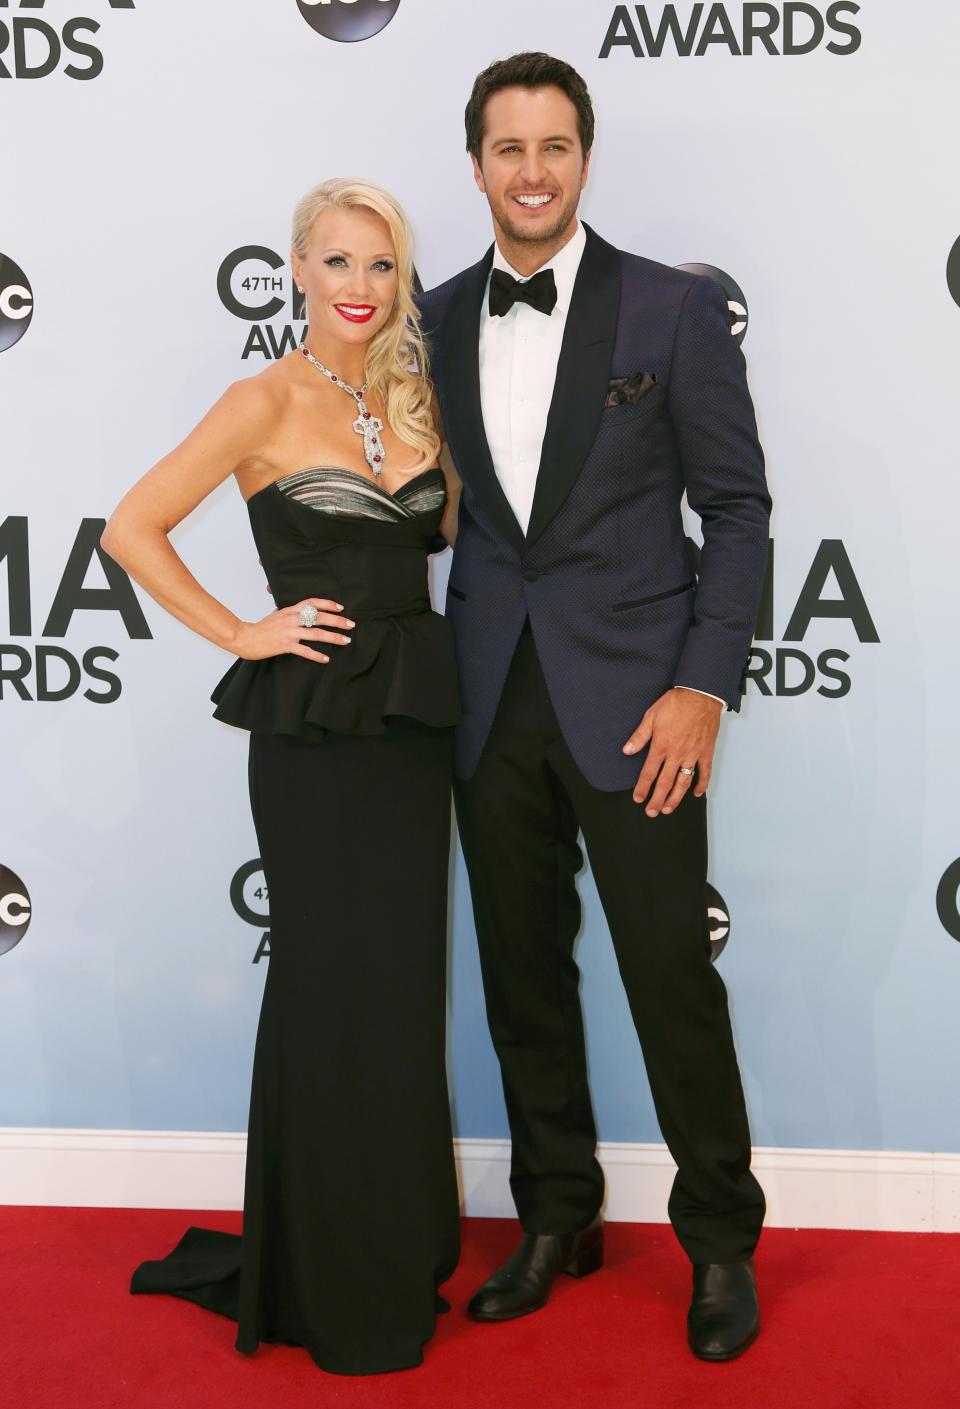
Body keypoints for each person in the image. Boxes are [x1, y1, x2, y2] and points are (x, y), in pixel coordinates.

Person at [419, 53, 771, 1362]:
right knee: (522, 979)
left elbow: (735, 510)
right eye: (506, 148)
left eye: (553, 145)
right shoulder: (438, 317)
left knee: (673, 978)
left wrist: (702, 684)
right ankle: (558, 1214)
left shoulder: (670, 313)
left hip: (639, 707)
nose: (530, 169)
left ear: (585, 156)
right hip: (489, 701)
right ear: (475, 165)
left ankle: (721, 1239)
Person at [102, 178, 462, 1375]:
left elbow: (461, 532)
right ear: (297, 270)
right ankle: (325, 1270)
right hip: (313, 741)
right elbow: (132, 527)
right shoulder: (260, 398)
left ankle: (396, 1240)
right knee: (328, 986)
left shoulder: (420, 399)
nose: (360, 287)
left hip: (413, 733)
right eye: (338, 262)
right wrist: (243, 630)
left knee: (401, 987)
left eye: (381, 265)